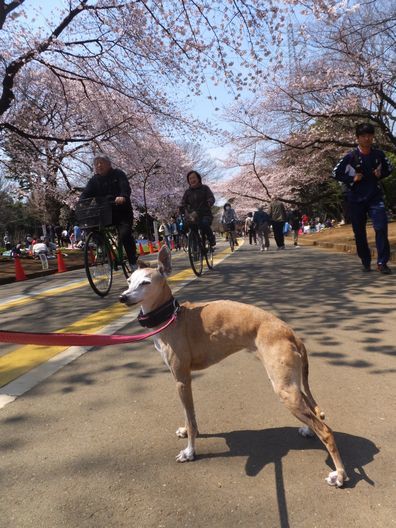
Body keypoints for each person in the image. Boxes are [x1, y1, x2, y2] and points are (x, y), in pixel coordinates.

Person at [332, 123, 393, 274]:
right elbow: (335, 173)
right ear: (358, 138)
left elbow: (389, 168)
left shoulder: (379, 155)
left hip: (374, 196)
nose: (367, 139)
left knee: (381, 227)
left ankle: (382, 262)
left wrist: (381, 174)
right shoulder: (350, 157)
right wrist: (352, 177)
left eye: (370, 135)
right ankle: (365, 260)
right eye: (363, 136)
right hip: (355, 199)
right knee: (359, 231)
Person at [79, 154, 138, 268]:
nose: (99, 165)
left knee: (125, 234)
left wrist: (123, 196)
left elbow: (125, 187)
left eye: (102, 162)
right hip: (104, 212)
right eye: (96, 163)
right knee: (91, 226)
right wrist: (81, 202)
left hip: (122, 212)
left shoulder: (118, 174)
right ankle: (102, 247)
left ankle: (132, 261)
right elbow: (86, 194)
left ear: (109, 164)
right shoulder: (94, 180)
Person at [180, 170, 216, 247]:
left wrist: (209, 202)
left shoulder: (205, 188)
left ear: (198, 178)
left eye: (194, 178)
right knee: (188, 226)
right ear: (188, 181)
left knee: (204, 224)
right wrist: (184, 209)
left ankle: (211, 238)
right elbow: (183, 203)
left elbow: (211, 198)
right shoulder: (187, 192)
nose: (192, 180)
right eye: (190, 179)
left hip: (205, 214)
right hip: (192, 216)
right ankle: (195, 245)